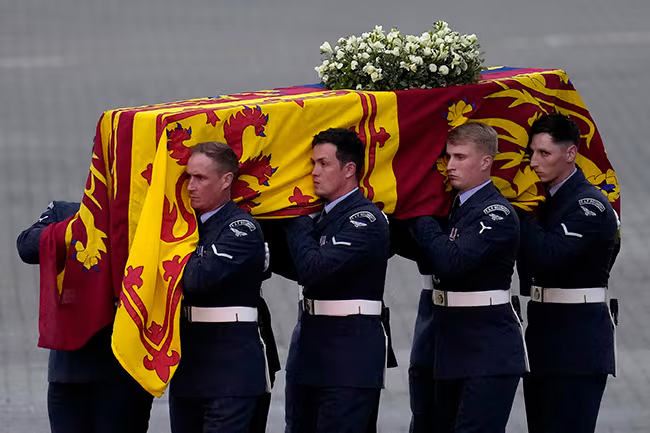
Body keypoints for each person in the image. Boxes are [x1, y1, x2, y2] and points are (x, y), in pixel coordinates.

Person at [402, 122, 527, 433]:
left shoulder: (496, 213)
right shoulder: (452, 207)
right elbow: (421, 251)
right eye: (448, 157)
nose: (450, 166)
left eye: (460, 157)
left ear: (485, 162)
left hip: (487, 350)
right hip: (448, 346)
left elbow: (450, 261)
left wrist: (418, 214)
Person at [281, 128, 390, 433]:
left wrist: (294, 216)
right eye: (312, 164)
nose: (314, 172)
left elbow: (314, 269)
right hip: (308, 352)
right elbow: (294, 264)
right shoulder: (322, 217)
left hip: (349, 360)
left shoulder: (364, 219)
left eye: (324, 163)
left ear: (349, 169)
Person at [518, 113, 619, 433]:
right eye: (532, 153)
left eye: (544, 153)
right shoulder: (547, 198)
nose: (534, 162)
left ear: (571, 153)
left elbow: (549, 256)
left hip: (578, 344)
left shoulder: (589, 205)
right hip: (543, 338)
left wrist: (518, 213)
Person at [16, 200, 154, 433]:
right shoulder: (65, 211)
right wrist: (79, 226)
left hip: (125, 375)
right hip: (68, 375)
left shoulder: (145, 218)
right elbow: (26, 247)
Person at [168, 141, 272, 433]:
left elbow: (197, 280)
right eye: (189, 177)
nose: (190, 186)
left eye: (201, 178)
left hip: (231, 373)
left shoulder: (241, 228)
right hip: (189, 370)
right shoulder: (185, 225)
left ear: (227, 180)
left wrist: (172, 254)